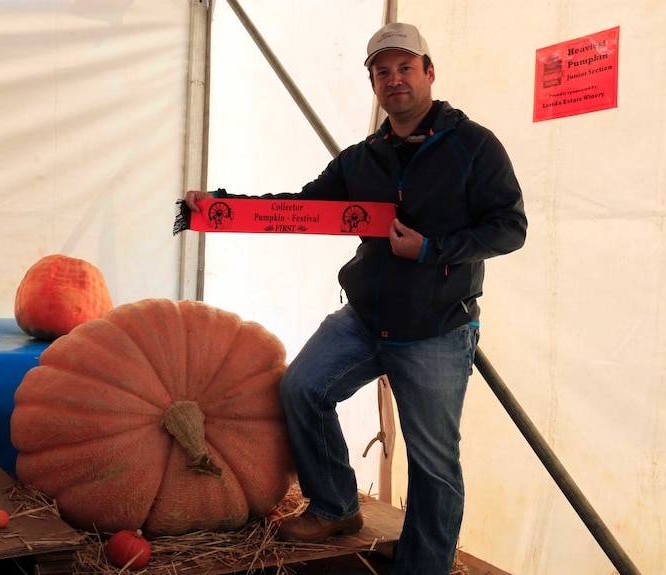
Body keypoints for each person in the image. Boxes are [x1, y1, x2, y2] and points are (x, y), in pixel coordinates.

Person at [184, 21, 526, 575]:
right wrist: (218, 207)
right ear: (373, 83)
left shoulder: (474, 146)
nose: (395, 80)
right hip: (366, 317)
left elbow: (511, 227)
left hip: (436, 327)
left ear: (429, 72)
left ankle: (424, 566)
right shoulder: (361, 158)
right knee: (301, 388)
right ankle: (336, 506)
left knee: (434, 465)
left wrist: (433, 248)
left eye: (405, 68)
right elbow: (298, 209)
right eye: (382, 71)